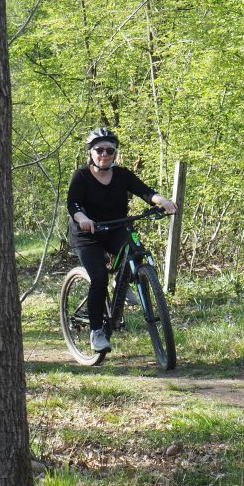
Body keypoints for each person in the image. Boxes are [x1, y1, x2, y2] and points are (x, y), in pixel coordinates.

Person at [67, 127, 176, 353]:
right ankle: (96, 331)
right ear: (91, 152)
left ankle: (123, 280)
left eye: (110, 150)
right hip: (88, 233)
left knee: (135, 249)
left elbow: (145, 192)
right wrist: (83, 218)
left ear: (115, 154)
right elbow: (74, 205)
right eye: (99, 150)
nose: (104, 154)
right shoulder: (81, 176)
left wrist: (162, 200)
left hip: (116, 227)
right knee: (98, 278)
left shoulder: (122, 175)